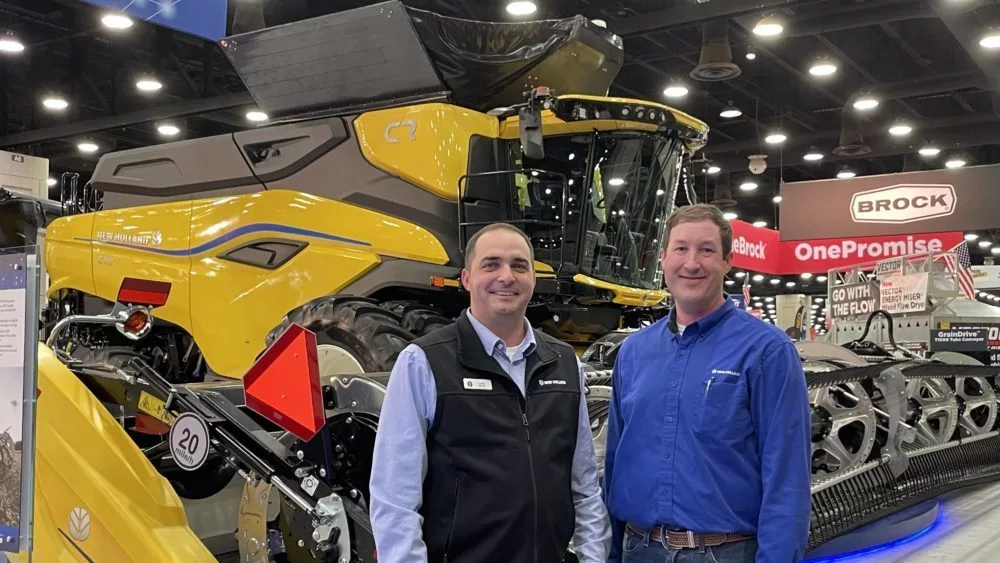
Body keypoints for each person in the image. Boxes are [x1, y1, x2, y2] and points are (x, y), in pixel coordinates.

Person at [369, 222, 612, 563]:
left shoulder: (563, 363)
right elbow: (395, 498)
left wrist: (592, 558)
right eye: (491, 264)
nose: (506, 276)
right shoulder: (424, 362)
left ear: (532, 279)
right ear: (467, 279)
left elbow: (584, 486)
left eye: (519, 265)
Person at [602, 204, 812, 563]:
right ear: (663, 258)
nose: (692, 263)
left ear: (728, 261)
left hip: (725, 552)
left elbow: (787, 477)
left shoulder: (767, 351)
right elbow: (615, 460)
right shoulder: (633, 352)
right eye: (681, 248)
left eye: (707, 250)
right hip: (638, 549)